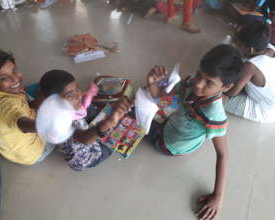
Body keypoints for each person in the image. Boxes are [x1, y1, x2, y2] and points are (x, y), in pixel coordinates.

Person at [145, 45, 243, 220]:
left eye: (208, 82)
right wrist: (152, 82)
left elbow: (223, 155)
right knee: (142, 109)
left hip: (168, 144)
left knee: (131, 117)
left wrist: (218, 196)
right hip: (175, 128)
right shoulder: (190, 83)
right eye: (199, 74)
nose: (198, 84)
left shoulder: (214, 115)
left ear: (226, 87)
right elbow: (163, 99)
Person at [39, 70, 133, 171]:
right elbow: (83, 138)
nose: (79, 95)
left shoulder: (67, 106)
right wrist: (107, 123)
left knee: (92, 109)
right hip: (86, 152)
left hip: (82, 125)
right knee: (111, 144)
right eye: (70, 95)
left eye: (77, 88)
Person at [0, 50, 55, 165]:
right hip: (30, 154)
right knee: (66, 133)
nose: (15, 79)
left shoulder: (1, 92)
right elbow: (21, 123)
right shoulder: (6, 105)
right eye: (4, 78)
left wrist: (41, 100)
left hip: (8, 148)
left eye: (14, 70)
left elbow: (23, 107)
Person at [225, 21, 275, 123]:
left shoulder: (250, 66)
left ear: (249, 50)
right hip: (270, 101)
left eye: (239, 44)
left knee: (212, 96)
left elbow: (232, 93)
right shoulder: (271, 50)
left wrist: (216, 88)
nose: (236, 46)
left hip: (263, 110)